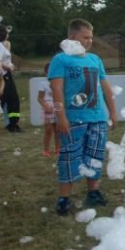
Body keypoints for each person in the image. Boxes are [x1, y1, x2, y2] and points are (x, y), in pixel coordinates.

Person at [49, 19, 118, 215]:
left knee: (95, 156)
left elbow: (104, 87)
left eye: (91, 37)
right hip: (74, 118)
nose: (90, 41)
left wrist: (112, 111)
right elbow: (57, 89)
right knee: (70, 156)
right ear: (72, 38)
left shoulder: (95, 60)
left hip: (97, 117)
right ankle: (64, 198)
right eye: (85, 37)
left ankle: (93, 192)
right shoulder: (60, 60)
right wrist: (61, 116)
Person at [0, 25, 21, 132]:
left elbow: (4, 59)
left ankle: (12, 123)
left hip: (5, 75)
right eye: (6, 32)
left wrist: (10, 64)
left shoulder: (0, 45)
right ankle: (11, 124)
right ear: (3, 34)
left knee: (9, 100)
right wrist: (8, 67)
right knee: (10, 100)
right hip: (3, 76)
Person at [37, 63, 59, 158]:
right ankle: (46, 150)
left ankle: (58, 149)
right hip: (48, 109)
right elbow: (40, 98)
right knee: (48, 130)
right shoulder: (43, 84)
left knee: (58, 130)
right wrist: (45, 105)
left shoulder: (59, 83)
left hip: (58, 107)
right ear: (46, 72)